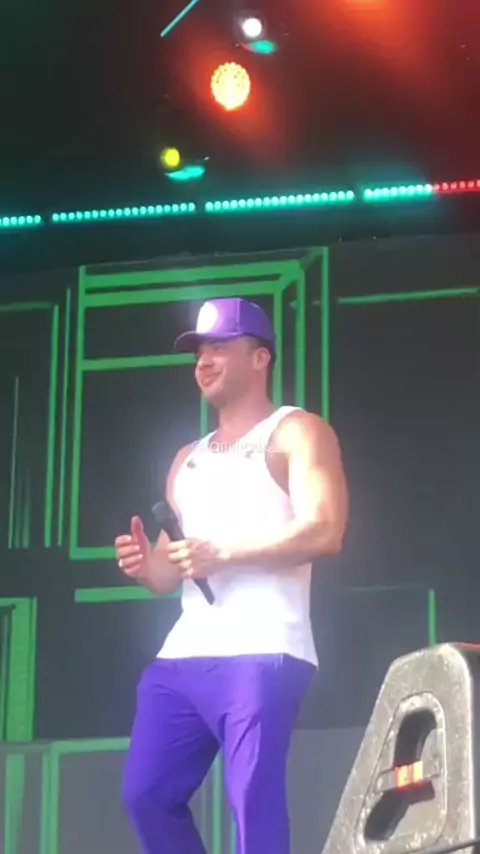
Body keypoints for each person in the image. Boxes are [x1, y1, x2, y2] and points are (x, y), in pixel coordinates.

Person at [114, 297, 349, 854]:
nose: (204, 361)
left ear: (260, 357)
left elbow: (325, 530)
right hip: (184, 655)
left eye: (220, 347)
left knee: (250, 798)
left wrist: (225, 553)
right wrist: (145, 565)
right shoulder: (186, 458)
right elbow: (169, 575)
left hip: (263, 648)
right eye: (199, 351)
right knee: (145, 794)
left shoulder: (296, 432)